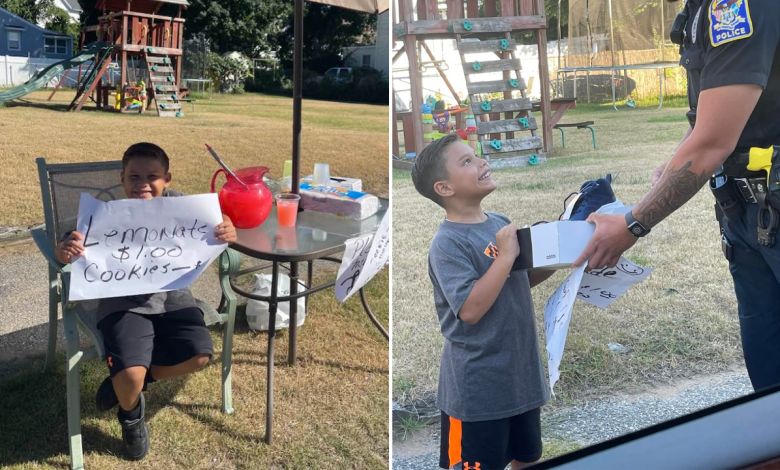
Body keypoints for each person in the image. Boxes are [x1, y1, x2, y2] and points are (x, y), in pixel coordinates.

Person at [573, 0, 780, 392]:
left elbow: (711, 144)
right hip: (745, 213)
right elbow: (709, 120)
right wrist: (671, 167)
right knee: (767, 372)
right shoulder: (704, 7)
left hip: (769, 208)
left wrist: (633, 224)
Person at [55, 142, 237, 460]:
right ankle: (131, 415)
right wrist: (64, 251)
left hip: (173, 299)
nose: (142, 184)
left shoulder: (181, 206)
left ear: (167, 179)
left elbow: (217, 226)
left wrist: (227, 230)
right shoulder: (106, 214)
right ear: (122, 178)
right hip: (121, 302)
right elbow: (69, 244)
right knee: (129, 374)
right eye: (134, 176)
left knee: (198, 355)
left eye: (152, 176)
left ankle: (130, 384)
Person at [412, 133, 555, 470]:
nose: (482, 163)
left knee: (527, 458)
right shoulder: (447, 244)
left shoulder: (499, 223)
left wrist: (558, 257)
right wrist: (504, 257)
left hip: (520, 378)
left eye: (476, 156)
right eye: (467, 161)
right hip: (476, 393)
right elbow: (471, 309)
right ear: (445, 188)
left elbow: (519, 282)